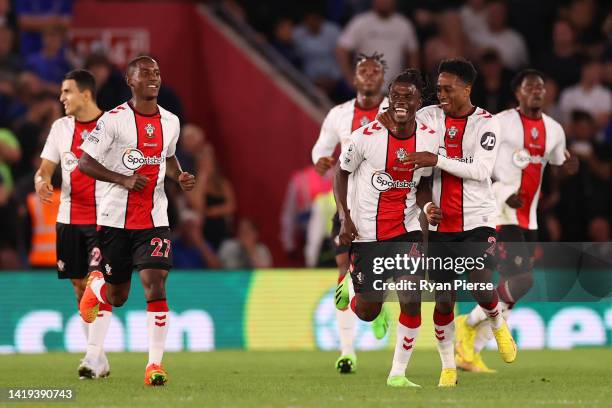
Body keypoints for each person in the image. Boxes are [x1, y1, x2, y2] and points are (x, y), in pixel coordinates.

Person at [379, 58, 518, 374]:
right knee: (443, 300)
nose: (440, 95)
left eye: (448, 89)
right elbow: (423, 174)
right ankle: (448, 368)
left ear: (467, 89)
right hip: (440, 225)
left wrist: (436, 157)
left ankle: (497, 325)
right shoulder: (428, 117)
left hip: (477, 218)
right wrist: (427, 207)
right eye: (438, 89)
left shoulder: (486, 123)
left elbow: (481, 170)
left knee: (480, 280)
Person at [77, 56, 195, 386]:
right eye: (145, 74)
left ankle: (153, 366)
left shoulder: (171, 121)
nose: (153, 78)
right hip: (115, 218)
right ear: (130, 81)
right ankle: (97, 285)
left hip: (154, 218)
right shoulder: (113, 120)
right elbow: (85, 163)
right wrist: (122, 179)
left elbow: (168, 157)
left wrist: (180, 175)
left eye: (156, 72)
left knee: (156, 282)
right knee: (117, 297)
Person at [455, 69, 577, 372]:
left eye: (541, 86)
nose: (536, 91)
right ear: (518, 93)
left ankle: (469, 353)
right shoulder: (499, 123)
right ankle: (467, 323)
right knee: (522, 281)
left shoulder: (554, 129)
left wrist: (568, 169)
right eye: (529, 87)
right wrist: (501, 190)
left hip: (529, 217)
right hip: (497, 212)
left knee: (512, 290)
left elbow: (559, 166)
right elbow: (476, 161)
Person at [334, 69, 446, 387]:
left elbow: (422, 185)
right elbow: (340, 175)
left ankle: (397, 374)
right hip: (368, 234)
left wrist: (426, 207)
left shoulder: (428, 137)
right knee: (368, 312)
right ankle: (353, 289)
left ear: (418, 102)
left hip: (407, 229)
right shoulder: (365, 138)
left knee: (411, 296)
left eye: (407, 96)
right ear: (389, 99)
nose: (400, 101)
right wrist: (345, 218)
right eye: (395, 95)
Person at [311, 52, 388, 374]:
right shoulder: (339, 114)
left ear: (383, 78)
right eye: (363, 71)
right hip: (347, 208)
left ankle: (376, 303)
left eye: (375, 71)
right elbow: (321, 147)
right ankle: (346, 351)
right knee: (344, 272)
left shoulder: (394, 112)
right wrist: (320, 160)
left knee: (377, 282)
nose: (369, 75)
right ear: (354, 78)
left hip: (386, 209)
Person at [34, 69, 111, 379]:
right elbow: (45, 168)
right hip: (68, 219)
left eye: (66, 92)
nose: (61, 98)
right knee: (80, 290)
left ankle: (91, 357)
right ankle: (100, 358)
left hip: (103, 219)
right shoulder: (60, 128)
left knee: (96, 283)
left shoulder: (114, 127)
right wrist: (41, 181)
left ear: (86, 94)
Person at [336, 0, 419, 87]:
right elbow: (341, 50)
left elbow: (413, 54)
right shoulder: (360, 22)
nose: (384, 2)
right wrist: (350, 78)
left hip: (395, 89)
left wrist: (411, 81)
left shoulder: (404, 24)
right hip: (366, 88)